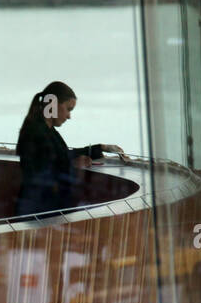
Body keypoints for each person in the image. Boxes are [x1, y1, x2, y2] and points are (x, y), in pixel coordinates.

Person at [13, 81, 126, 217]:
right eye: (68, 109)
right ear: (54, 105)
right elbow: (40, 172)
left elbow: (61, 155)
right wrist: (72, 165)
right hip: (40, 210)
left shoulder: (46, 130)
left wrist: (100, 148)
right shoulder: (36, 132)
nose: (69, 116)